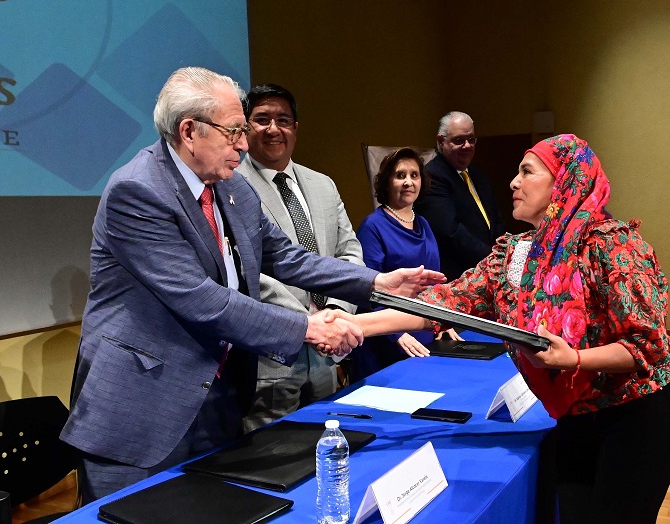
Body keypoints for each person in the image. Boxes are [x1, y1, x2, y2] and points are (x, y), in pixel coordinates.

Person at [59, 67, 445, 503]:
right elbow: (202, 300)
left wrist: (376, 279)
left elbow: (287, 257)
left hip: (220, 398)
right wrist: (309, 327)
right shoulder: (138, 191)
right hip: (144, 410)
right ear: (189, 130)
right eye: (233, 132)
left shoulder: (233, 188)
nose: (244, 144)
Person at [331, 134, 670, 523]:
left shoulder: (611, 244)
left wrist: (575, 358)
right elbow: (441, 305)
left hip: (638, 413)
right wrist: (353, 324)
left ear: (564, 182)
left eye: (527, 172)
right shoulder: (515, 252)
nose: (513, 182)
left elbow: (646, 346)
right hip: (576, 416)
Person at [236, 84, 364, 430]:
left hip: (327, 351)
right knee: (272, 457)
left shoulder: (323, 184)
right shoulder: (229, 186)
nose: (274, 129)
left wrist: (334, 314)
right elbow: (246, 271)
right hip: (271, 356)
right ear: (245, 127)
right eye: (262, 119)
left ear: (295, 127)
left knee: (326, 443)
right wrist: (308, 323)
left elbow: (349, 252)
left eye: (283, 119)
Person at [352, 148, 460, 380]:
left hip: (424, 335)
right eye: (400, 175)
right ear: (387, 182)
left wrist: (442, 321)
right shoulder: (373, 227)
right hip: (387, 340)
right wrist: (396, 334)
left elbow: (434, 283)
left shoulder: (424, 223)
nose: (408, 182)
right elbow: (368, 291)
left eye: (414, 175)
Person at [415, 111, 506, 280]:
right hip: (458, 275)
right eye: (459, 140)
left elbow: (497, 220)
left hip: (488, 271)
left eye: (471, 139)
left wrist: (501, 254)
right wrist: (492, 260)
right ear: (441, 141)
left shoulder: (478, 175)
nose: (467, 146)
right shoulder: (432, 176)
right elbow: (451, 232)